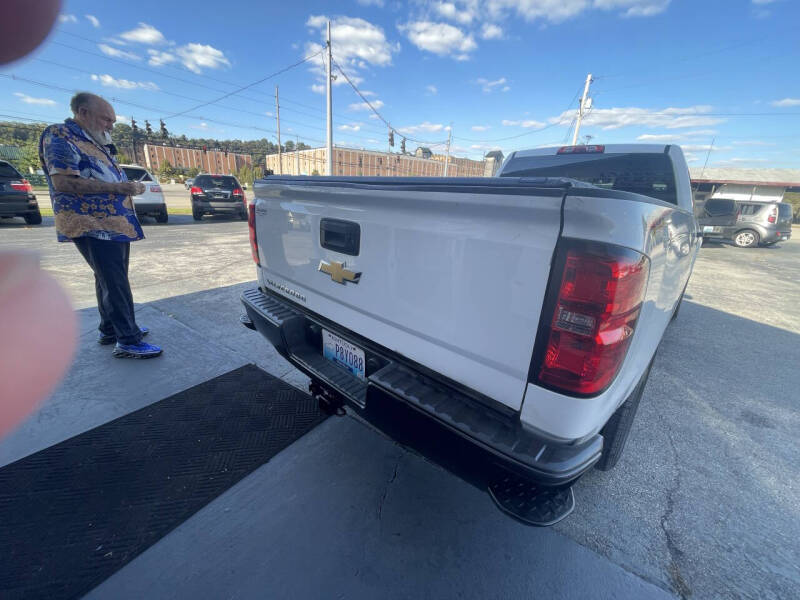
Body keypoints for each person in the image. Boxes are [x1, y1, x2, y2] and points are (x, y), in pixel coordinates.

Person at [39, 92, 162, 358]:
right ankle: (128, 340)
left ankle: (110, 329)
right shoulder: (60, 136)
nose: (110, 125)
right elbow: (64, 182)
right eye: (106, 119)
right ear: (83, 113)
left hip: (115, 223)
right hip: (91, 222)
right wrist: (119, 187)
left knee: (107, 277)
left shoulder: (93, 141)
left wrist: (129, 187)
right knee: (114, 280)